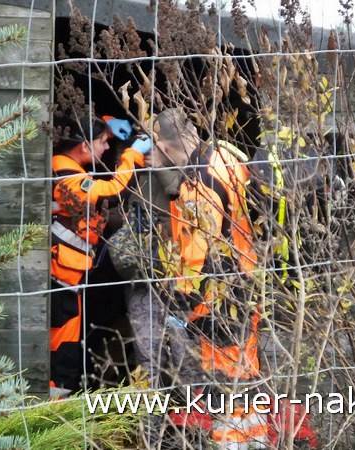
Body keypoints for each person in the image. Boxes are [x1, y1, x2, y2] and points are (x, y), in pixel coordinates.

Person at [109, 109, 318, 448]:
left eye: (153, 148)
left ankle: (233, 443)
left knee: (227, 384)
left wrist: (181, 308)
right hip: (245, 283)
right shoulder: (224, 154)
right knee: (247, 374)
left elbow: (194, 260)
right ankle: (253, 439)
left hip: (217, 302)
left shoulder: (198, 187)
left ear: (161, 144)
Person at [49, 115, 151, 397]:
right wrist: (132, 154)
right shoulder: (66, 176)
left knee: (67, 346)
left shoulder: (68, 169)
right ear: (84, 145)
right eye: (102, 142)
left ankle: (60, 396)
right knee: (63, 351)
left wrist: (115, 129)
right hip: (61, 280)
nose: (106, 148)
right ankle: (55, 407)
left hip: (69, 278)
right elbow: (110, 191)